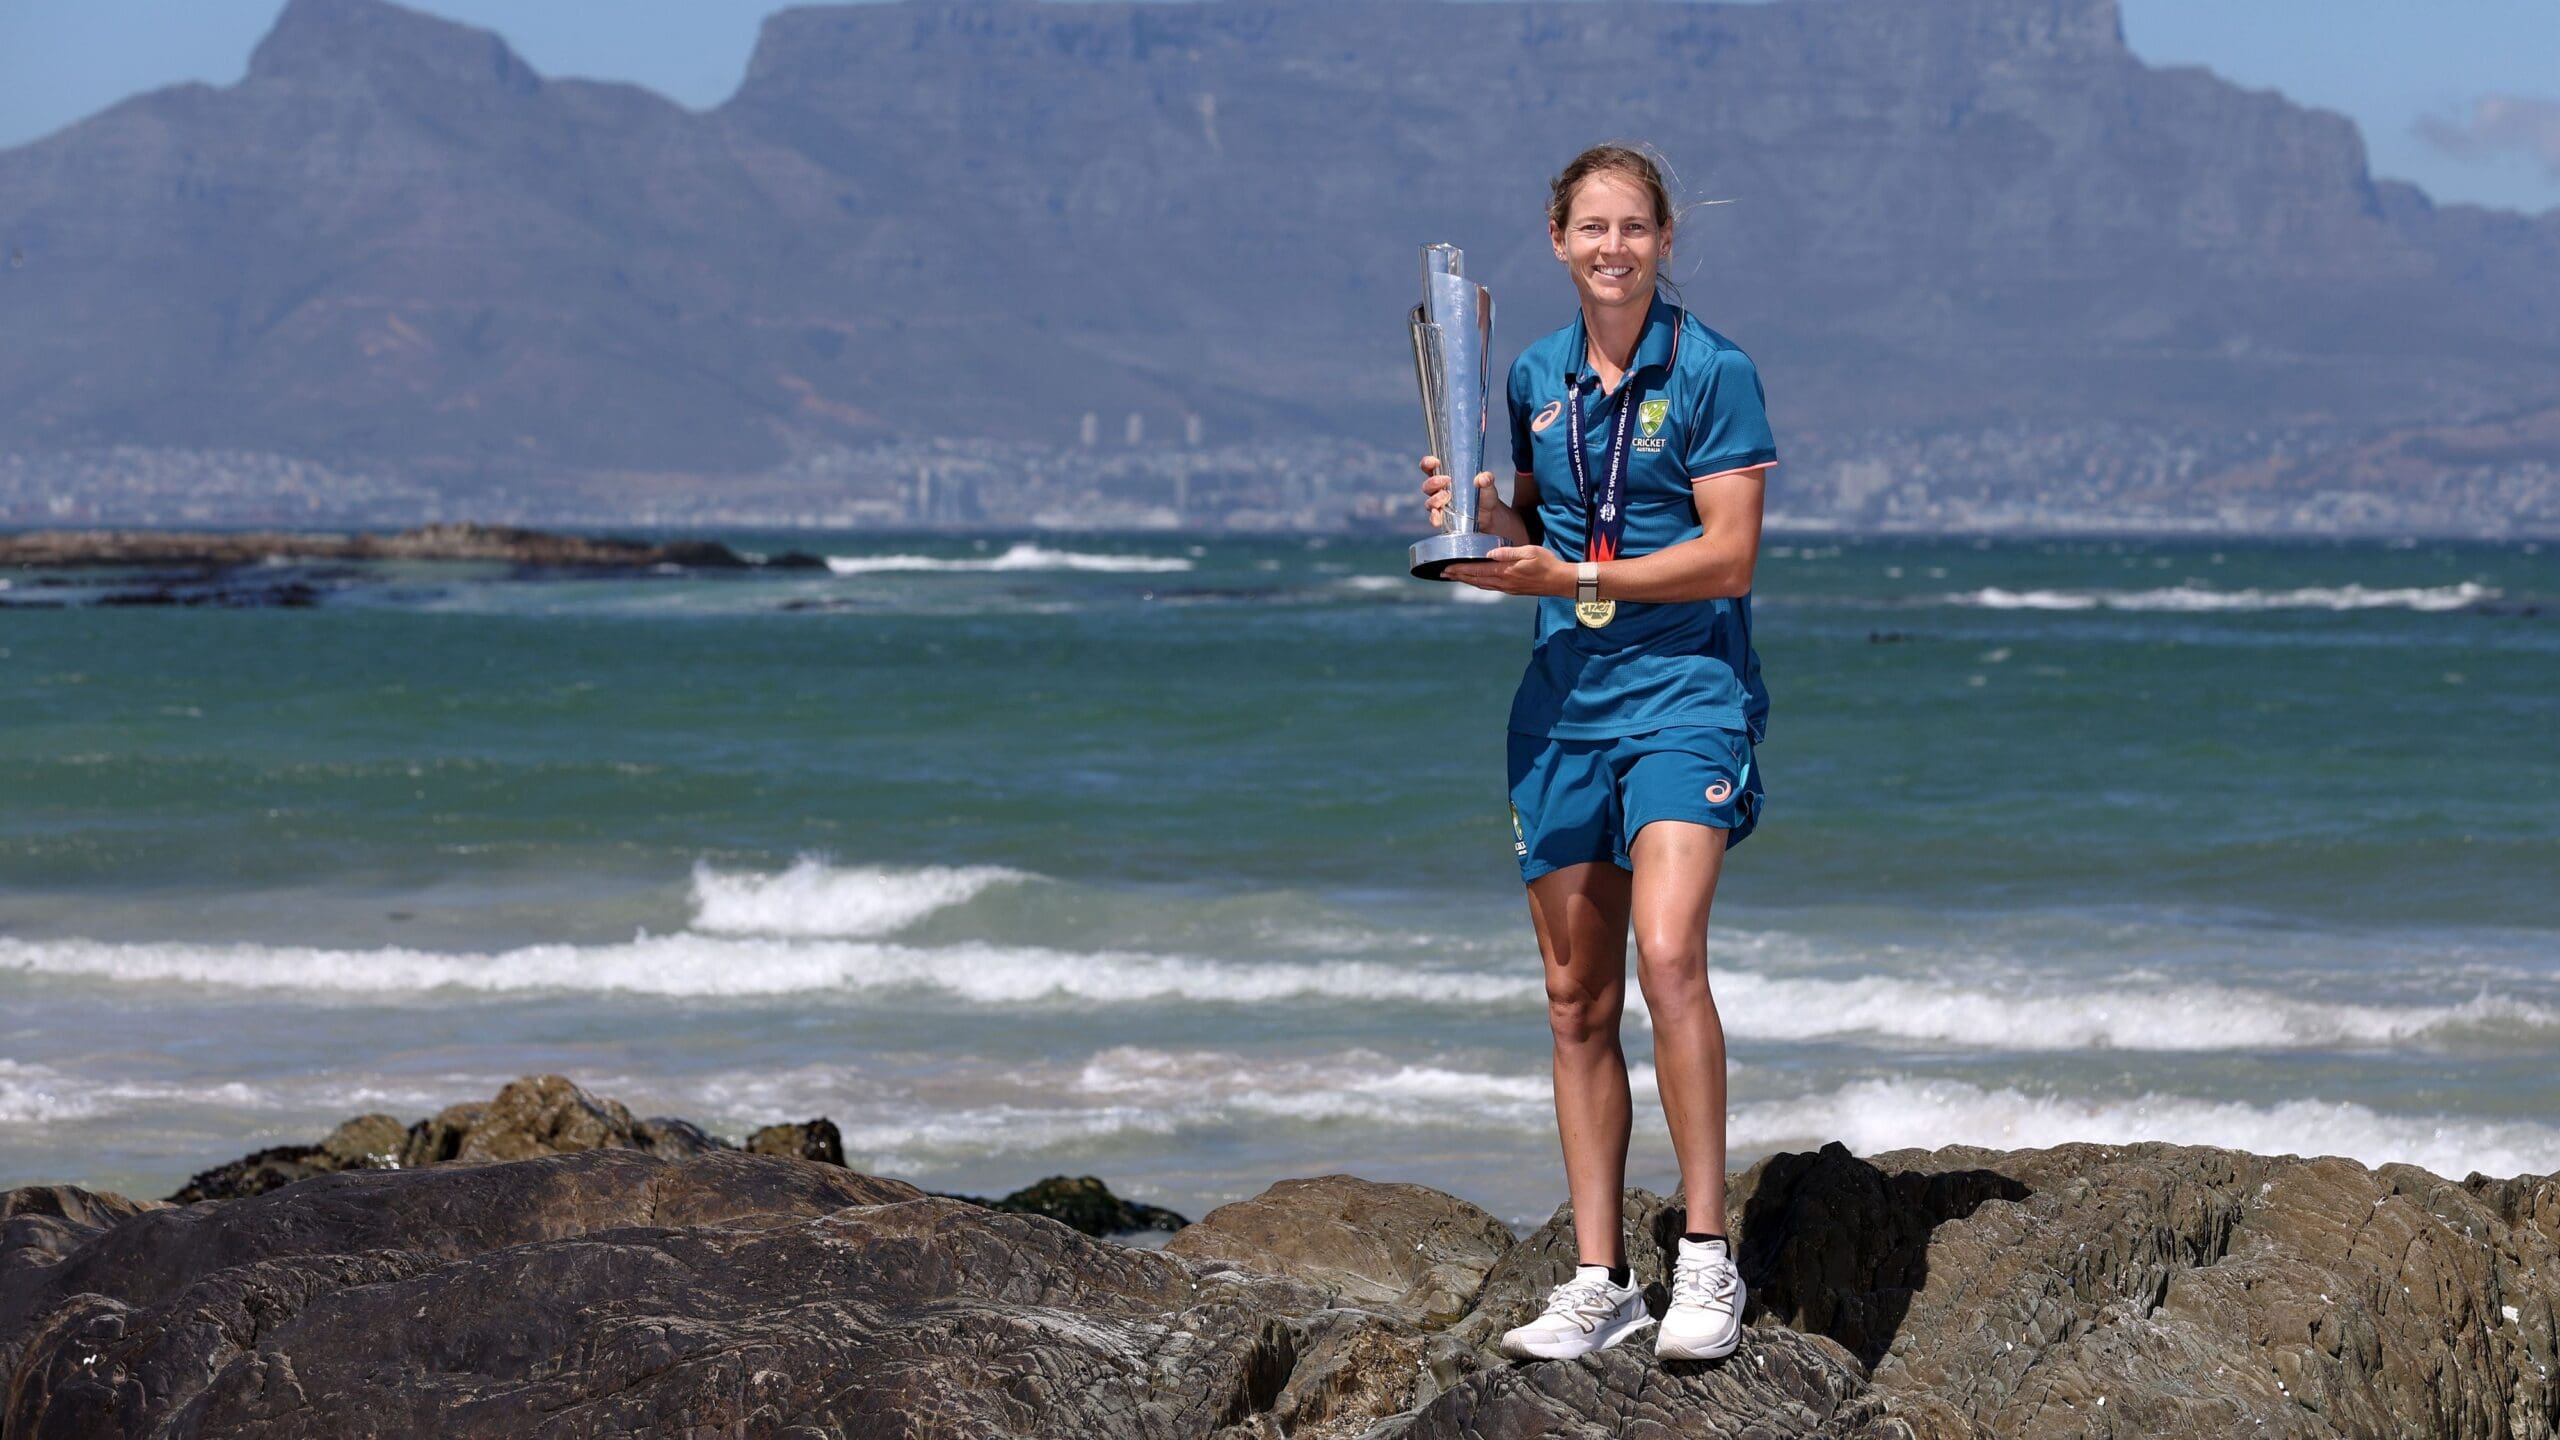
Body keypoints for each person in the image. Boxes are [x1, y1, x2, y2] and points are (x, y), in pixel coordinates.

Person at [1420, 143, 1774, 1364]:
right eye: (1591, 228)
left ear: (1664, 240)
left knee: (1670, 956)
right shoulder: (1532, 375)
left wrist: (1565, 570)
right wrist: (1478, 515)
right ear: (1558, 242)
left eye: (1635, 227)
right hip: (1563, 705)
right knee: (1577, 999)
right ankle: (1597, 1278)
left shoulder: (1715, 369)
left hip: (1687, 696)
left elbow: (1729, 556)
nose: (1613, 246)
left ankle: (1707, 1261)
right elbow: (1537, 519)